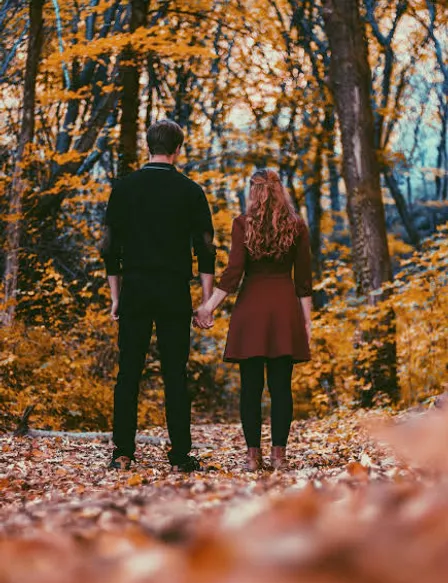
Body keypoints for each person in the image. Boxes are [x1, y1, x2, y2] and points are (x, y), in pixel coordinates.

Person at [102, 119, 215, 472]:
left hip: (135, 286)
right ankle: (180, 454)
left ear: (148, 145)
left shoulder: (123, 188)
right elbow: (206, 249)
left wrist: (115, 296)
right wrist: (206, 302)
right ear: (178, 148)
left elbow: (108, 248)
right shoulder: (191, 191)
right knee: (175, 374)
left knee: (128, 372)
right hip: (173, 289)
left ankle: (123, 452)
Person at [195, 169, 312, 471]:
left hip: (251, 311)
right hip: (284, 310)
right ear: (279, 192)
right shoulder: (297, 226)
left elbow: (233, 273)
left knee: (250, 388)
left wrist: (208, 306)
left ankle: (252, 456)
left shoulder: (242, 224)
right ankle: (279, 456)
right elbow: (304, 281)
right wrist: (307, 323)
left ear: (253, 193)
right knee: (281, 388)